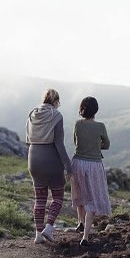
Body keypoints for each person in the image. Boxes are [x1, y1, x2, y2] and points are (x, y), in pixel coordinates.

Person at [25, 88, 72, 244]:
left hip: (33, 158)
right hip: (50, 158)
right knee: (58, 196)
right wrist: (68, 165)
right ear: (56, 101)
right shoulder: (56, 115)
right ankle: (49, 228)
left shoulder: (32, 113)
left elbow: (28, 138)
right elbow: (59, 143)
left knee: (40, 199)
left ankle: (38, 234)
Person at [70, 96, 112, 245]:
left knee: (79, 193)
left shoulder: (77, 124)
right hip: (93, 165)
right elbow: (106, 145)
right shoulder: (100, 126)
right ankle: (85, 236)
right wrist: (95, 146)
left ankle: (79, 222)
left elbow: (75, 142)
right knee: (92, 198)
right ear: (96, 110)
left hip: (77, 163)